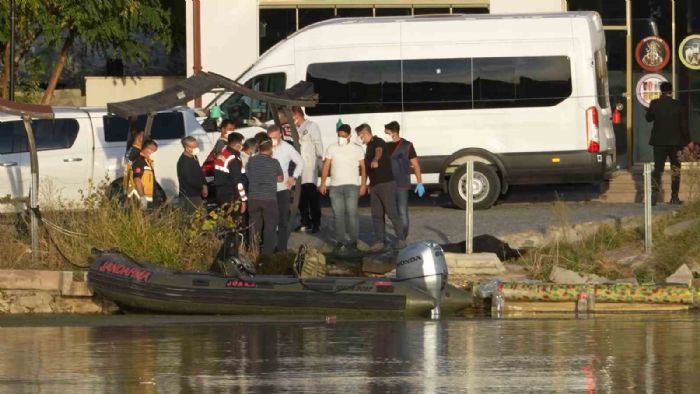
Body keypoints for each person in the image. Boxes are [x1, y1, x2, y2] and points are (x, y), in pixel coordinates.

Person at [355, 123, 406, 251]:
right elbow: (366, 169)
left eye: (360, 136)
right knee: (376, 214)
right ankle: (380, 241)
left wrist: (375, 160)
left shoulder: (378, 141)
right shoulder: (368, 147)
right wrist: (366, 184)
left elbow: (379, 151)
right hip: (375, 186)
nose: (360, 139)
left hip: (386, 183)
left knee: (391, 212)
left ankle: (401, 239)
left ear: (365, 133)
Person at [319, 124, 367, 254]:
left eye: (344, 136)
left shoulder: (357, 149)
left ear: (350, 136)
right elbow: (326, 166)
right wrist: (323, 183)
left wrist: (363, 184)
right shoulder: (331, 148)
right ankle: (340, 242)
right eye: (339, 135)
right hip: (335, 187)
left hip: (352, 186)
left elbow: (363, 167)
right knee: (338, 215)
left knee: (352, 215)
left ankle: (353, 242)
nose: (341, 138)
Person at [645, 82, 692, 205]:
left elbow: (648, 118)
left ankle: (653, 198)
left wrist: (650, 110)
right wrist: (688, 141)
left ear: (661, 91)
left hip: (659, 142)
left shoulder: (655, 103)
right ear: (671, 91)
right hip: (675, 142)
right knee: (675, 169)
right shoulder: (678, 105)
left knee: (658, 169)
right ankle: (674, 197)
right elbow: (683, 125)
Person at [384, 121, 425, 239]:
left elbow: (415, 164)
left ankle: (402, 237)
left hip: (402, 184)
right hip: (388, 184)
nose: (385, 134)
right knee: (392, 212)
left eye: (386, 132)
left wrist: (419, 182)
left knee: (402, 212)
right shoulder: (385, 146)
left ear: (393, 132)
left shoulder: (407, 145)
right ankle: (399, 235)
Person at [269, 125, 304, 251]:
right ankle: (270, 247)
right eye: (271, 137)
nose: (273, 140)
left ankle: (282, 248)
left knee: (283, 220)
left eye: (275, 137)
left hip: (282, 188)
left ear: (280, 135)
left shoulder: (287, 148)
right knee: (270, 220)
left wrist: (293, 177)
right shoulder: (266, 147)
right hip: (268, 189)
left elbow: (300, 162)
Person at [246, 137, 284, 255]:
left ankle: (253, 251)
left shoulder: (251, 161)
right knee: (270, 227)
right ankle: (267, 253)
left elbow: (248, 175)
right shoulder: (274, 162)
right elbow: (280, 178)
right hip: (269, 199)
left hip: (253, 198)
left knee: (254, 227)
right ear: (271, 148)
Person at [291, 106, 323, 233]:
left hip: (310, 166)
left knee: (312, 197)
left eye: (292, 116)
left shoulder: (311, 126)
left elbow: (318, 143)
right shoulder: (295, 128)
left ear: (297, 115)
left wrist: (320, 160)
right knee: (300, 198)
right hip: (299, 167)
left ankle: (316, 223)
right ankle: (305, 222)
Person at [213, 132, 247, 211]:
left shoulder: (223, 153)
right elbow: (238, 182)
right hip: (232, 197)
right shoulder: (233, 159)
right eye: (241, 143)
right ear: (237, 144)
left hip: (221, 194)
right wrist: (243, 200)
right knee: (236, 221)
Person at [177, 136, 208, 214]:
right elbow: (189, 180)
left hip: (196, 193)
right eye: (194, 147)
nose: (197, 148)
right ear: (187, 148)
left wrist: (205, 184)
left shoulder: (194, 157)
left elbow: (199, 172)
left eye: (197, 146)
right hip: (189, 195)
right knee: (200, 217)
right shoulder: (184, 162)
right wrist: (202, 187)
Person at [127, 139, 158, 210]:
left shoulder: (147, 162)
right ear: (147, 149)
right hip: (139, 198)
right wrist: (142, 197)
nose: (154, 153)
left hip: (148, 198)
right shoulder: (139, 161)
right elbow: (137, 179)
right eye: (153, 151)